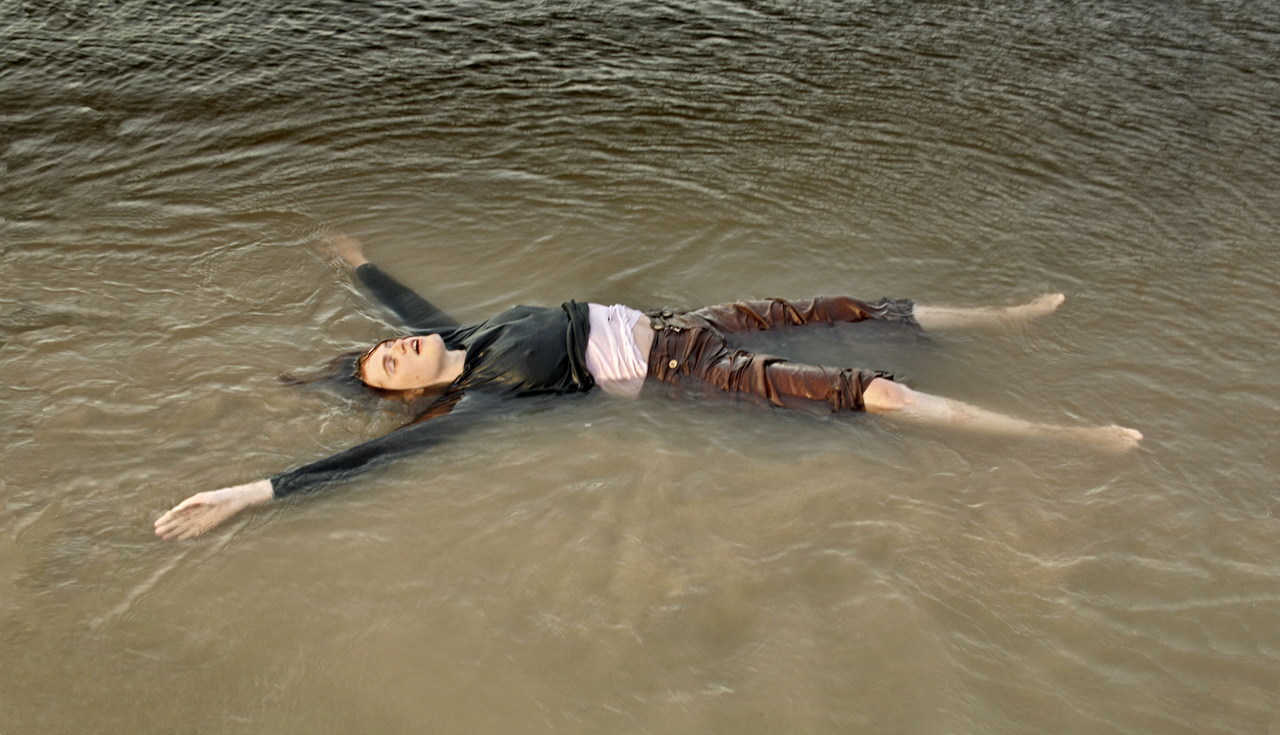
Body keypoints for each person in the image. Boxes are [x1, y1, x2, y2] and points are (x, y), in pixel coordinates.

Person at [154, 234, 1141, 540]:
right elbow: (371, 460)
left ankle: (1003, 317)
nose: (398, 348)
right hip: (687, 366)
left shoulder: (459, 335)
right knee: (866, 391)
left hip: (689, 318)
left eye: (387, 345)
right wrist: (252, 492)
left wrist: (359, 266)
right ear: (407, 394)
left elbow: (409, 304)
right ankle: (1060, 440)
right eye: (386, 365)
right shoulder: (481, 398)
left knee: (849, 303)